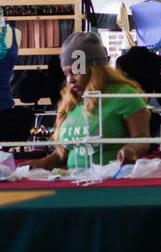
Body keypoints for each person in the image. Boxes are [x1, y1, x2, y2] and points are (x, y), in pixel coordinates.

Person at [35, 32, 151, 169]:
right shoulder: (72, 101)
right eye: (66, 73)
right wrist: (40, 164)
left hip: (111, 181)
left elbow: (142, 138)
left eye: (76, 72)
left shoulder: (124, 96)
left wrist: (131, 150)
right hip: (74, 183)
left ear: (96, 70)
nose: (70, 80)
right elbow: (65, 153)